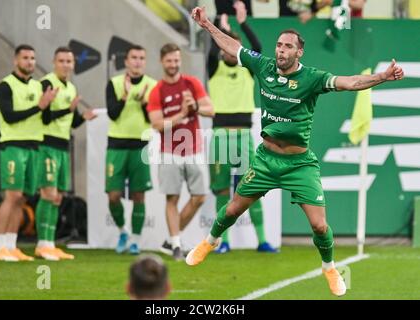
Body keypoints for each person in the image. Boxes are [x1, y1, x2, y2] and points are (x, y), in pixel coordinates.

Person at [188, 6, 404, 297]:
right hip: (266, 159)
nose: (281, 50)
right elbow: (234, 46)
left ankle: (329, 267)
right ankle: (210, 241)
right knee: (232, 209)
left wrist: (382, 76)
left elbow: (350, 82)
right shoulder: (263, 66)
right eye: (279, 45)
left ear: (299, 52)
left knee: (319, 225)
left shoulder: (311, 78)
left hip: (299, 163)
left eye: (288, 46)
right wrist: (206, 25)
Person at [207, 1, 277, 254]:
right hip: (220, 135)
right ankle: (221, 241)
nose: (229, 51)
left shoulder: (248, 69)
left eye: (233, 47)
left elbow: (257, 47)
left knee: (251, 187)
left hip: (244, 135)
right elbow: (209, 48)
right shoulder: (213, 68)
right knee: (222, 190)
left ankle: (262, 240)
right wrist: (218, 21)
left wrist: (244, 23)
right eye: (225, 46)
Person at [147, 43, 214, 261]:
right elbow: (156, 124)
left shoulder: (192, 83)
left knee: (200, 197)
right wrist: (181, 113)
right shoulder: (157, 90)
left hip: (194, 149)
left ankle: (171, 239)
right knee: (172, 198)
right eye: (169, 61)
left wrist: (194, 106)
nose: (173, 64)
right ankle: (176, 244)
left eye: (176, 60)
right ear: (161, 62)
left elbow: (210, 110)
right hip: (169, 152)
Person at [0, 44, 58, 261]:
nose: (30, 62)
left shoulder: (39, 86)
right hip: (13, 146)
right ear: (15, 60)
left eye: (32, 58)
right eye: (25, 58)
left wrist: (48, 105)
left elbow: (46, 120)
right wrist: (38, 106)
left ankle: (11, 246)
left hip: (34, 147)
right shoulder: (5, 86)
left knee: (23, 199)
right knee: (12, 196)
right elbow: (9, 116)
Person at [34, 47, 97, 261]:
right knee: (48, 194)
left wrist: (83, 117)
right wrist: (67, 111)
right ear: (54, 62)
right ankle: (42, 243)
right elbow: (43, 118)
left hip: (62, 146)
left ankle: (50, 243)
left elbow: (72, 121)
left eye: (69, 61)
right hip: (47, 144)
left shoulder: (70, 87)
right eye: (61, 61)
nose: (65, 65)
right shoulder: (46, 83)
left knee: (58, 197)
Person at [105, 45, 157, 255]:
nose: (137, 61)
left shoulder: (152, 86)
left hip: (141, 145)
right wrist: (125, 96)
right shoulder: (114, 83)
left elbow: (151, 120)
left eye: (141, 58)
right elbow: (112, 114)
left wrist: (145, 103)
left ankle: (135, 240)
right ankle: (122, 232)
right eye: (134, 57)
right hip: (116, 145)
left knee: (139, 195)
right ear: (126, 61)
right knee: (113, 196)